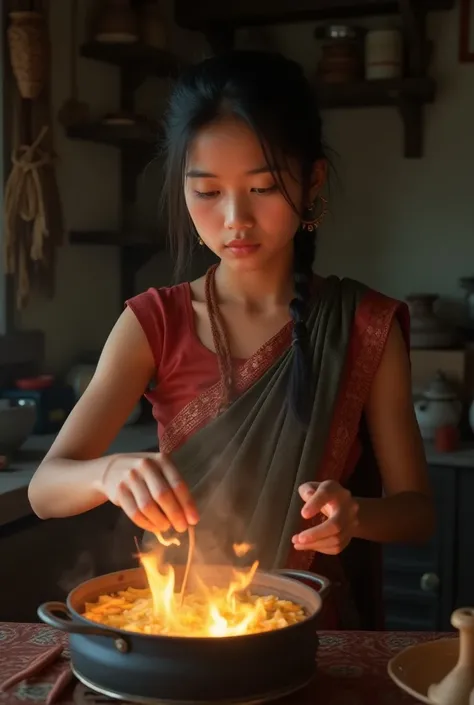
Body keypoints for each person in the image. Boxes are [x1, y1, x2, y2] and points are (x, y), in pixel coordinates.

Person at [28, 50, 434, 630]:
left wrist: (355, 516)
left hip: (308, 627)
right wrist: (108, 473)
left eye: (263, 187)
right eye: (208, 192)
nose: (235, 219)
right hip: (180, 624)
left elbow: (416, 512)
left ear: (312, 180)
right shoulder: (154, 321)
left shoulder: (362, 324)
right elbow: (46, 489)